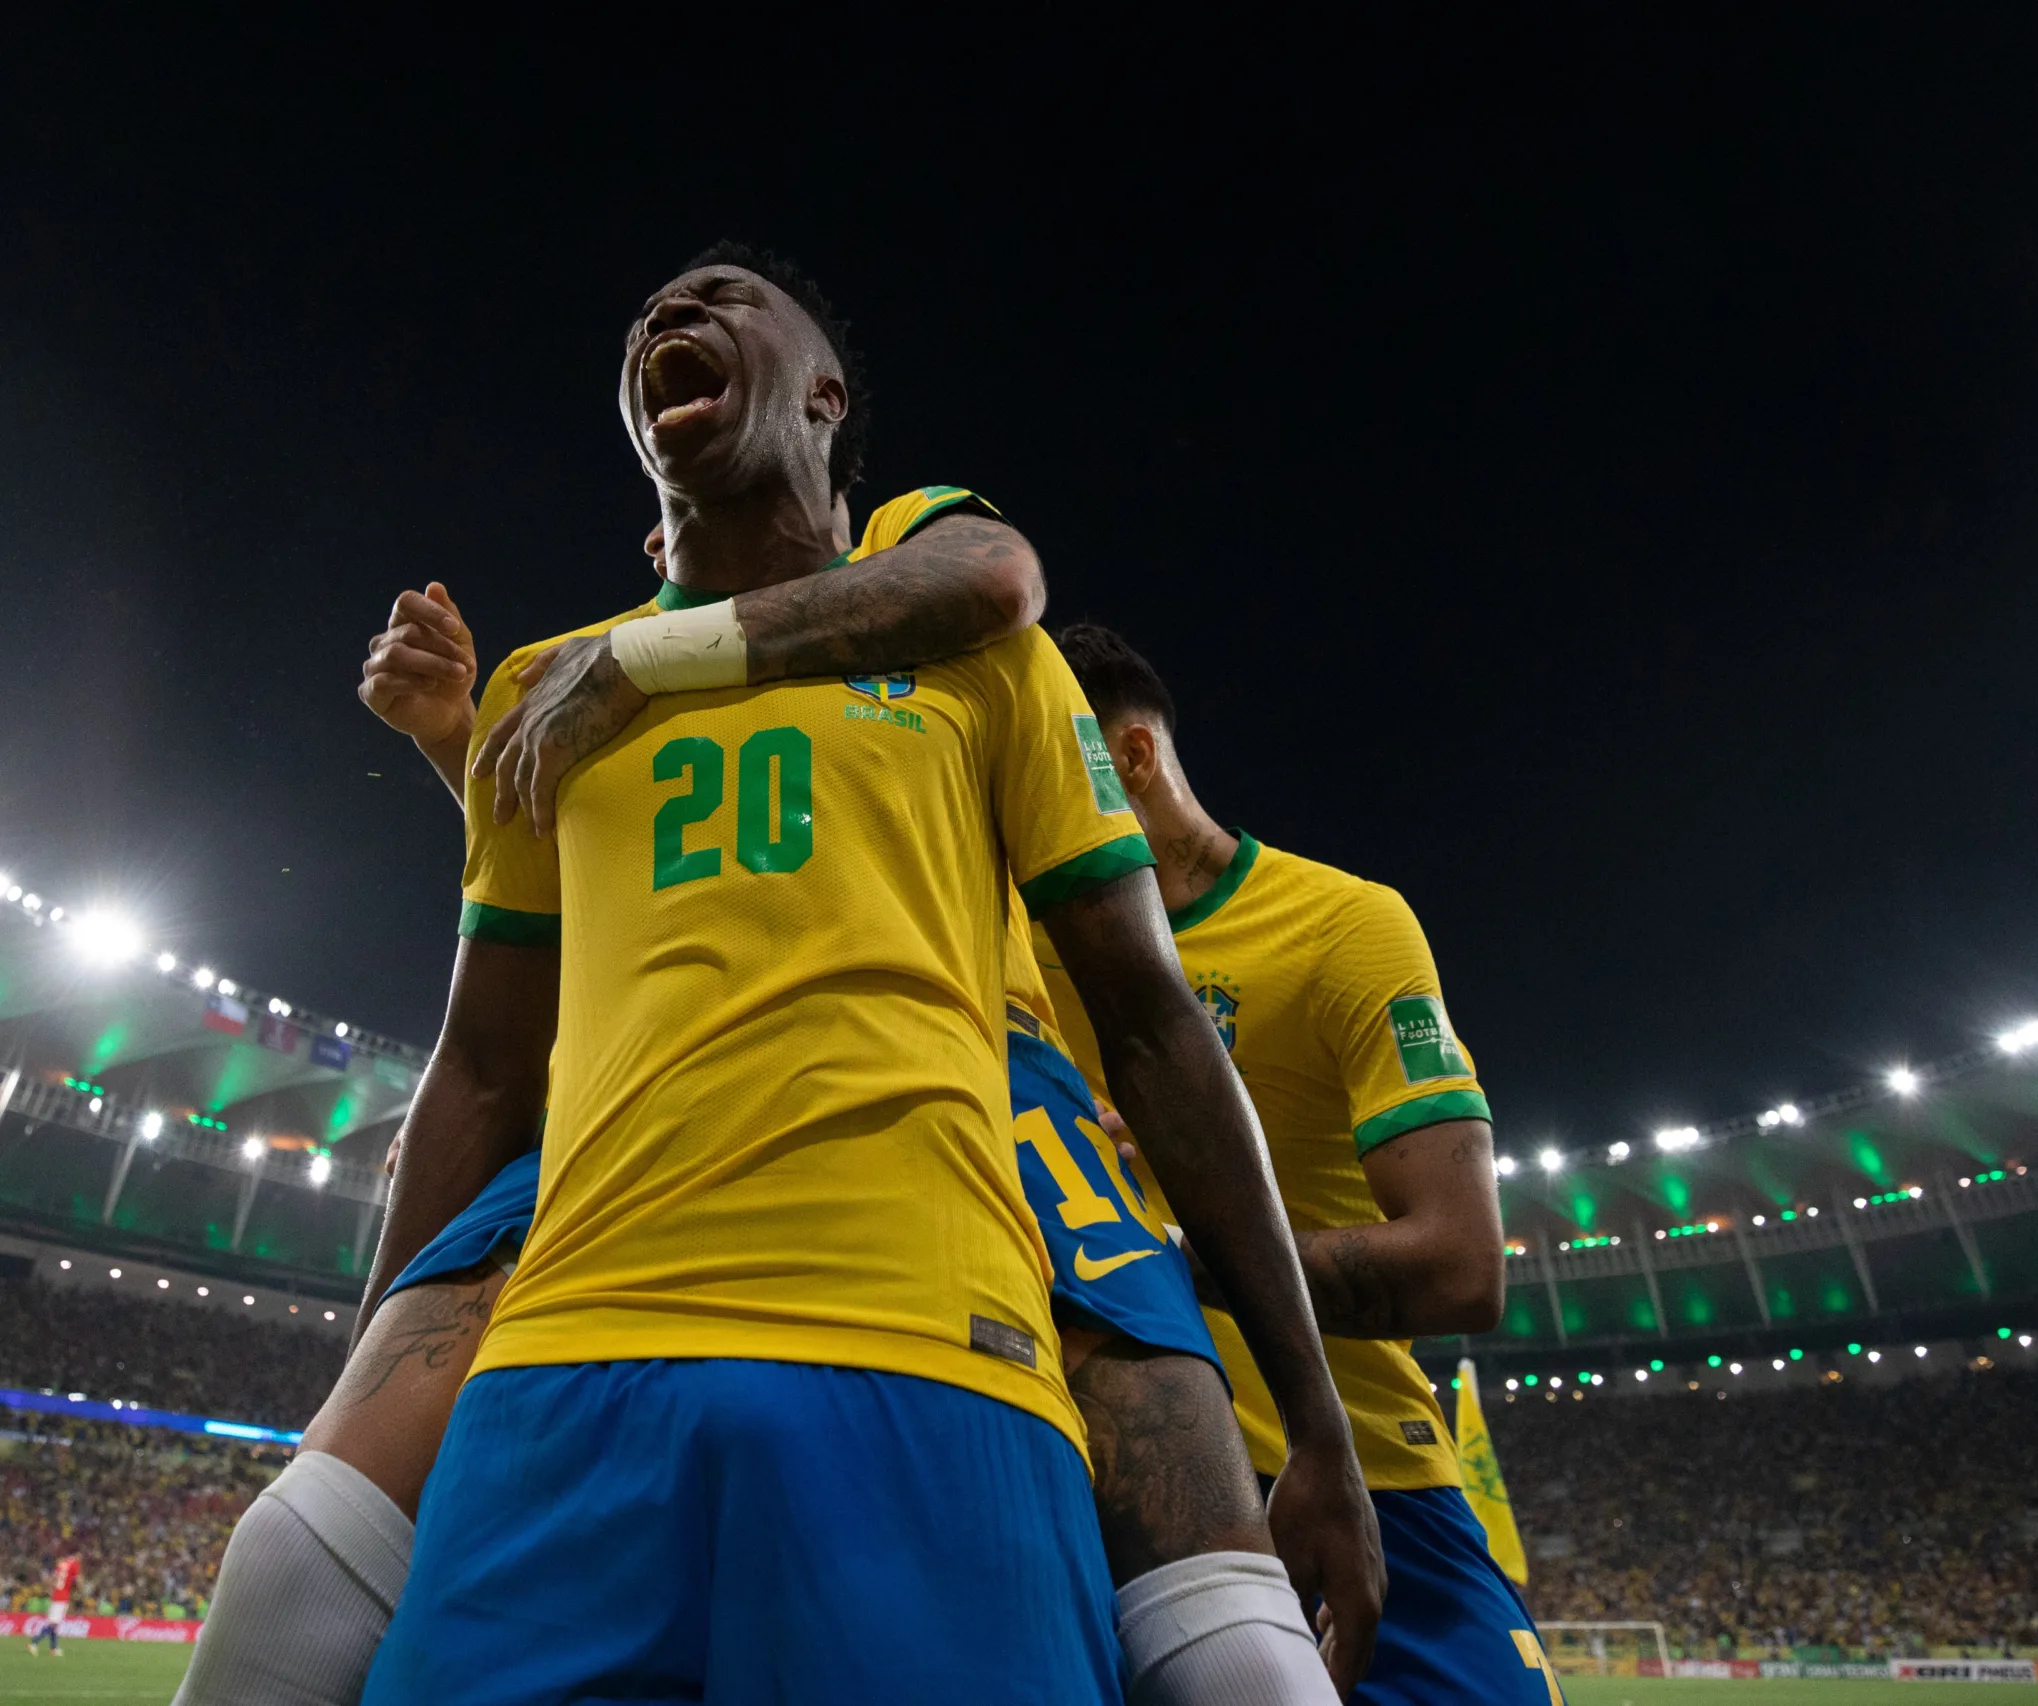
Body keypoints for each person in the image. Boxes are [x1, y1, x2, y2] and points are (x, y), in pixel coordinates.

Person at [325, 246, 1371, 1705]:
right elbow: (488, 1067)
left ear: (824, 393)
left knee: (1221, 1599)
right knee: (285, 1578)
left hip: (926, 1360)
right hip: (561, 1380)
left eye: (725, 298)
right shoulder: (546, 693)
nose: (668, 316)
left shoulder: (980, 655)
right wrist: (352, 1392)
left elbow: (1150, 1026)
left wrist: (1314, 1420)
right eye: (650, 313)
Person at [1037, 626, 1557, 1705]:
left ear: (1127, 756)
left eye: (1033, 754)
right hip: (1105, 1494)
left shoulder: (1341, 928)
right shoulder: (1001, 949)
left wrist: (1174, 1247)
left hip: (1361, 1481)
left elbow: (1464, 1267)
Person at [24, 1552, 75, 1656]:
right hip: (62, 1598)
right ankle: (33, 1643)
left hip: (56, 1597)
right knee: (54, 1624)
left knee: (54, 1624)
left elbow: (49, 1580)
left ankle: (53, 1648)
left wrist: (51, 1591)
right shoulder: (71, 1566)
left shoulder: (59, 1568)